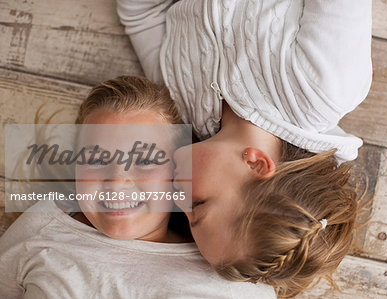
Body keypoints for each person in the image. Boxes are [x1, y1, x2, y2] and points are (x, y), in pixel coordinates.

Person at [117, 0, 372, 297]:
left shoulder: (180, 109)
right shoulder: (322, 89)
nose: (176, 199)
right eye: (197, 205)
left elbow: (141, 16)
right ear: (256, 164)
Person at [0, 76, 276, 298]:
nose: (117, 182)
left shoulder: (230, 277)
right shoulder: (43, 228)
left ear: (177, 172)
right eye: (96, 158)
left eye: (144, 160)